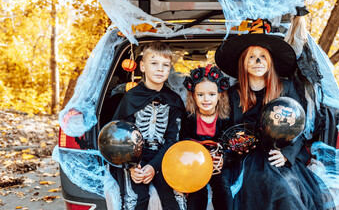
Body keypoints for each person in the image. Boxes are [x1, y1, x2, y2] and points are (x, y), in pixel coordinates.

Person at [215, 20, 324, 210]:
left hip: (278, 153)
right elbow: (226, 131)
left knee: (283, 188)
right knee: (247, 186)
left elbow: (299, 128)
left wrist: (287, 155)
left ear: (270, 61)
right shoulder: (233, 95)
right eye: (251, 57)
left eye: (262, 57)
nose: (257, 62)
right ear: (243, 62)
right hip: (245, 158)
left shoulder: (287, 88)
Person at [112, 41, 185, 210]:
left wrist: (154, 166)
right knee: (135, 201)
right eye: (154, 63)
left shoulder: (173, 101)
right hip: (134, 158)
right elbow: (119, 137)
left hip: (164, 156)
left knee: (175, 202)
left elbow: (173, 140)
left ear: (169, 69)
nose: (160, 69)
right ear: (142, 67)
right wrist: (130, 166)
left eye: (165, 65)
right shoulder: (131, 98)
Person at [180, 64, 233, 210]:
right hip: (195, 162)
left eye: (211, 94)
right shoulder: (189, 117)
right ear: (193, 96)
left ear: (219, 96)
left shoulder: (225, 118)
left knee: (223, 187)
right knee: (196, 190)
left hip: (218, 163)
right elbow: (183, 141)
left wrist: (224, 159)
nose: (206, 99)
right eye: (200, 94)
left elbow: (230, 146)